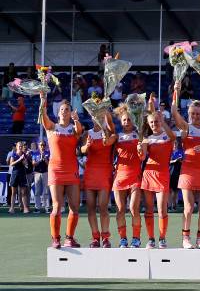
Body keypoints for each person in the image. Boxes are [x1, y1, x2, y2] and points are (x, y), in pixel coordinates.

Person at [172, 81, 200, 249]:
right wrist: (176, 91)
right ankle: (186, 238)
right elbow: (174, 111)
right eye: (193, 114)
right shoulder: (186, 127)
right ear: (189, 114)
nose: (195, 116)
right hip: (187, 172)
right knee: (188, 207)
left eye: (198, 114)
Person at [40, 93, 83, 248]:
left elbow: (80, 132)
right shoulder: (52, 127)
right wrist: (43, 101)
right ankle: (55, 238)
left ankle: (69, 238)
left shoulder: (73, 128)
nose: (65, 112)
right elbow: (43, 116)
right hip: (56, 170)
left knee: (74, 206)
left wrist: (76, 119)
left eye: (67, 110)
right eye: (62, 109)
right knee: (57, 206)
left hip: (71, 170)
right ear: (58, 112)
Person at [139, 98, 177, 249]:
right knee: (149, 209)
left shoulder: (167, 135)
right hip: (148, 173)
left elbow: (174, 138)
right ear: (148, 124)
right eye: (152, 123)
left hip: (162, 174)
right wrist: (140, 149)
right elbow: (142, 157)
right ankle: (151, 239)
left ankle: (162, 238)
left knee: (162, 209)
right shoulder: (147, 138)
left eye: (157, 121)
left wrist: (163, 120)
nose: (155, 124)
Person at [81, 115, 116, 248]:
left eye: (100, 117)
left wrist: (105, 135)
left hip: (104, 172)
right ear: (91, 118)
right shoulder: (87, 133)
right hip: (90, 173)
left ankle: (105, 237)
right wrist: (87, 146)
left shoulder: (109, 132)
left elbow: (111, 141)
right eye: (95, 117)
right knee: (90, 208)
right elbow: (82, 150)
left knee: (103, 207)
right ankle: (95, 237)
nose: (98, 119)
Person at [112, 105, 143, 248]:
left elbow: (143, 157)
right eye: (124, 120)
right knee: (120, 210)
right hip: (120, 177)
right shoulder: (117, 137)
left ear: (133, 120)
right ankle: (123, 239)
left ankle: (136, 238)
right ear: (121, 121)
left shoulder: (139, 135)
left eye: (129, 119)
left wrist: (140, 150)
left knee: (133, 209)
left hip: (135, 176)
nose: (126, 122)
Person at [8, 141, 30, 214]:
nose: (20, 147)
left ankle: (25, 208)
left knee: (23, 192)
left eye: (21, 146)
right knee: (13, 192)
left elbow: (26, 165)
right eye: (19, 146)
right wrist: (19, 159)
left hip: (22, 174)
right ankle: (12, 208)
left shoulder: (24, 155)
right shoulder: (13, 154)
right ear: (16, 147)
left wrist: (24, 162)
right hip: (14, 174)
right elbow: (11, 164)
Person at [32, 140, 50, 213]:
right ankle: (37, 208)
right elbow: (33, 164)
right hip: (37, 173)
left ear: (45, 146)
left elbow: (49, 164)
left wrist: (44, 158)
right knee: (37, 191)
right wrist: (39, 159)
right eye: (40, 145)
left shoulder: (48, 153)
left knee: (46, 191)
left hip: (45, 173)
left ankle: (47, 207)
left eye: (43, 145)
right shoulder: (35, 153)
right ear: (38, 146)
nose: (42, 146)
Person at [168, 140, 183, 212]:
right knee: (169, 191)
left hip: (178, 174)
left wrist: (180, 161)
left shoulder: (181, 152)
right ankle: (169, 206)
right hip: (169, 174)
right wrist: (174, 161)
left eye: (176, 143)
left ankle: (174, 206)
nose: (174, 144)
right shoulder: (169, 151)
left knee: (176, 191)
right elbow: (166, 161)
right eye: (173, 143)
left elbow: (184, 161)